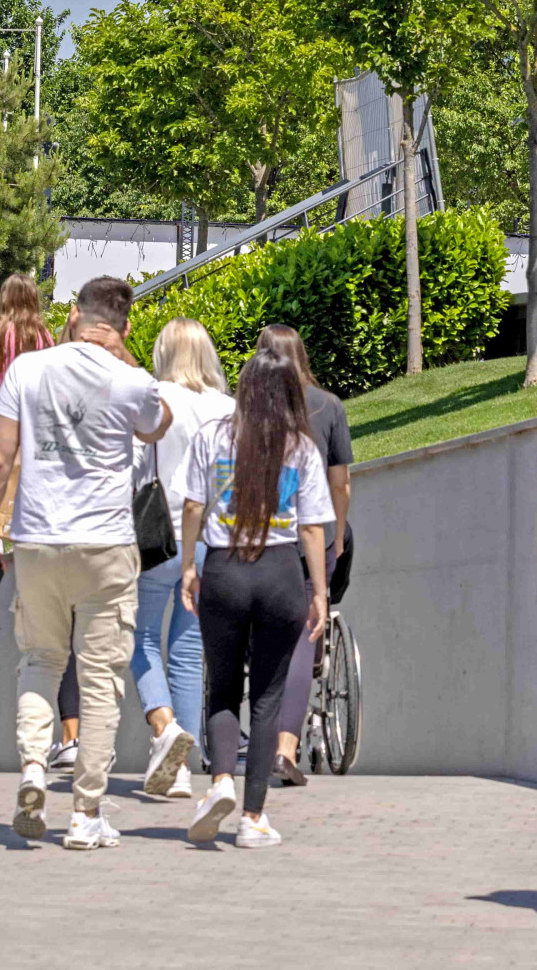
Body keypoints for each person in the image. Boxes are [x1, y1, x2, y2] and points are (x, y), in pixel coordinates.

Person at [0, 275, 173, 850]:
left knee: (39, 659)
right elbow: (158, 425)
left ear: (74, 316)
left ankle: (34, 767)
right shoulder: (129, 378)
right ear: (124, 324)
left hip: (36, 540)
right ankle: (85, 812)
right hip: (106, 543)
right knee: (101, 677)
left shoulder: (29, 371)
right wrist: (127, 356)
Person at [174, 348, 334, 849]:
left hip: (224, 570)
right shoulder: (301, 448)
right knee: (267, 697)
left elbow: (193, 505)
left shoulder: (212, 436)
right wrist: (320, 593)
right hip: (281, 572)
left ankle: (220, 780)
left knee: (221, 687)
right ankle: (253, 817)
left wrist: (188, 567)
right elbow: (311, 528)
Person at [131, 317, 231, 802]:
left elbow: (133, 466)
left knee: (140, 634)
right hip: (211, 539)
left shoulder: (155, 399)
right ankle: (184, 766)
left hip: (157, 535)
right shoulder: (229, 409)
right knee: (189, 650)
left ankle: (164, 726)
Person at [254, 324, 352, 788]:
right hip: (309, 537)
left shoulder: (248, 411)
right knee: (304, 638)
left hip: (258, 540)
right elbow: (340, 483)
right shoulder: (328, 406)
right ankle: (286, 748)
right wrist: (335, 537)